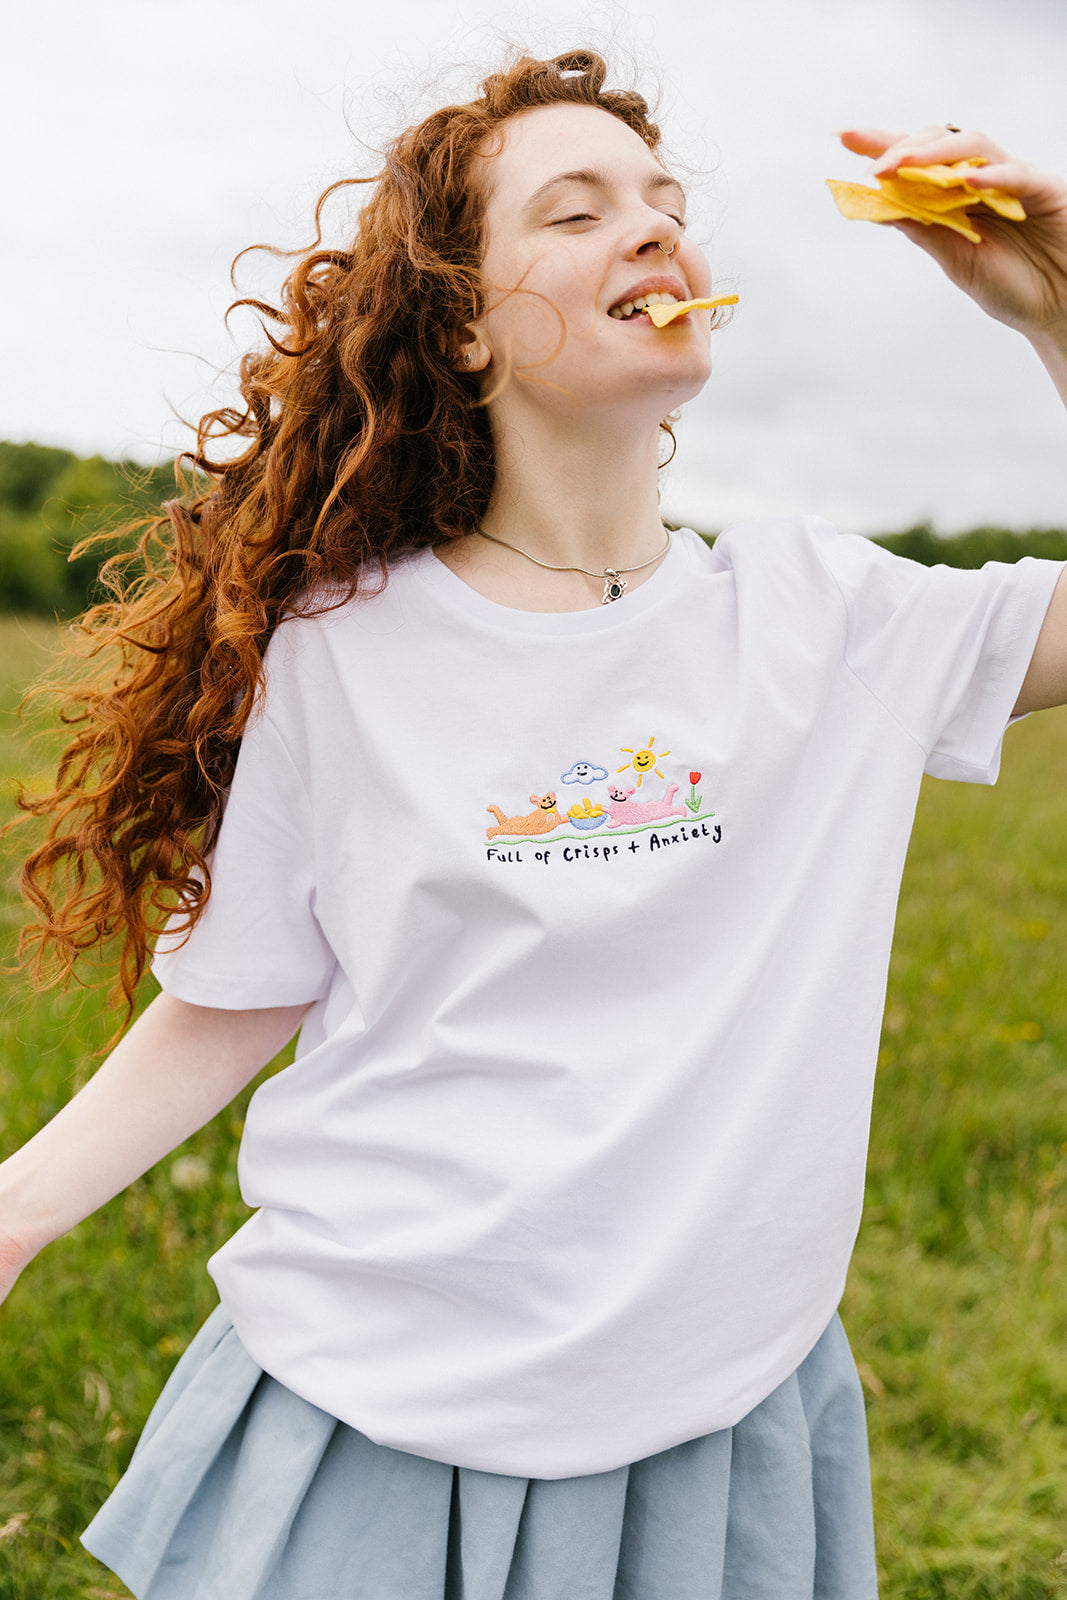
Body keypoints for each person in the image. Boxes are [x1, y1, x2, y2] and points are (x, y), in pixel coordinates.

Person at [3, 46, 1067, 1600]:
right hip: (375, 1404)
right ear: (465, 326)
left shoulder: (822, 618)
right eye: (576, 213)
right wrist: (14, 1213)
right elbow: (244, 989)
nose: (650, 231)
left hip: (717, 1418)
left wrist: (1051, 305)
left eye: (666, 204)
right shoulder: (343, 647)